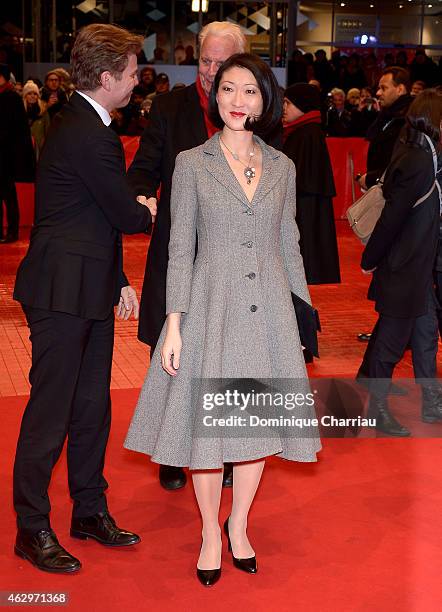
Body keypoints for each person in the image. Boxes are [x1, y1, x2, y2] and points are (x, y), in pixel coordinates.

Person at [125, 52, 321, 587]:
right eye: (229, 89)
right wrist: (173, 322)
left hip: (269, 316)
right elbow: (178, 248)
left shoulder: (284, 167)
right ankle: (210, 530)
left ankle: (239, 524)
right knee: (209, 430)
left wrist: (304, 313)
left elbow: (290, 244)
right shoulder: (191, 162)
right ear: (216, 97)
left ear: (265, 100)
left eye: (250, 91)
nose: (238, 101)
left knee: (254, 428)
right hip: (211, 310)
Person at [12, 24, 154, 574]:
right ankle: (32, 527)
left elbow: (92, 216)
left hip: (88, 285)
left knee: (92, 407)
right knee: (51, 413)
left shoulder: (83, 123)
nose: (138, 82)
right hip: (60, 291)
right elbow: (121, 213)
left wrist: (117, 277)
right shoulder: (88, 133)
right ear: (106, 77)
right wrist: (149, 212)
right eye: (133, 73)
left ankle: (89, 510)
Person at [127, 20, 247, 491]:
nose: (211, 72)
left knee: (236, 358)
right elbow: (143, 169)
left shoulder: (251, 110)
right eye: (205, 60)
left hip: (235, 262)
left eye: (221, 62)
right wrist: (140, 197)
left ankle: (236, 450)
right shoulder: (172, 107)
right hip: (179, 255)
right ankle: (173, 451)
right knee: (174, 356)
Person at [360, 89, 442, 435]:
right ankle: (375, 409)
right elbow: (391, 219)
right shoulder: (418, 160)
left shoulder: (426, 155)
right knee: (392, 342)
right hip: (404, 267)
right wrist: (370, 259)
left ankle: (431, 402)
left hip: (418, 268)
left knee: (424, 333)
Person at [355, 67, 413, 344]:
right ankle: (390, 331)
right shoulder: (389, 118)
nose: (378, 92)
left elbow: (402, 166)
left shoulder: (406, 120)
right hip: (387, 194)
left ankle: (391, 333)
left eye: (384, 87)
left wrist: (374, 177)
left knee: (391, 269)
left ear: (401, 89)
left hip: (396, 201)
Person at [282, 83, 340, 286]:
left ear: (302, 105)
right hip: (305, 211)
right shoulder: (304, 131)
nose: (284, 108)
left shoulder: (306, 134)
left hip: (304, 214)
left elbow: (300, 181)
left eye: (288, 103)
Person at [0, 63, 34, 244]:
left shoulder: (11, 97)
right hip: (4, 154)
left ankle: (12, 231)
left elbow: (16, 130)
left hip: (6, 157)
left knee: (8, 195)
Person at [22, 80, 50, 159]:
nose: (32, 96)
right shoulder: (20, 112)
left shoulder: (43, 111)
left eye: (35, 94)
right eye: (29, 93)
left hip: (40, 149)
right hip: (24, 148)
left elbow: (48, 130)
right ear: (25, 96)